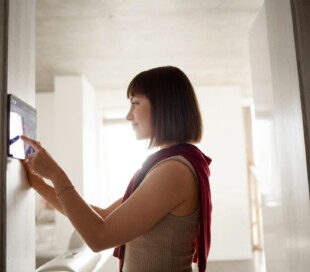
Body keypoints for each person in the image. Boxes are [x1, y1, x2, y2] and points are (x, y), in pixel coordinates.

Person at [22, 66, 212, 272]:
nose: (129, 116)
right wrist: (39, 183)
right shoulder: (168, 166)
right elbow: (102, 217)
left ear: (163, 106)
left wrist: (55, 174)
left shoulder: (174, 171)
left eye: (135, 103)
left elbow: (99, 237)